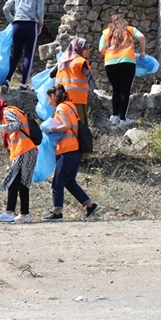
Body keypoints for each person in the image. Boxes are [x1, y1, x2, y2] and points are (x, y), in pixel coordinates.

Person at [42, 84, 100, 221]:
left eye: (49, 99)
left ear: (53, 96)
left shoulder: (61, 108)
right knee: (69, 181)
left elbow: (66, 126)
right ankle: (90, 205)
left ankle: (57, 212)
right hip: (76, 149)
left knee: (57, 182)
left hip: (67, 150)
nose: (49, 103)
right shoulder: (71, 105)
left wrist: (51, 130)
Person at [0, 98, 38, 224]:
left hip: (24, 149)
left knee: (16, 180)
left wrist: (0, 127)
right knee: (20, 182)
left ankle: (12, 213)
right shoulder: (12, 110)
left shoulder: (7, 111)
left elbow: (16, 125)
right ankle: (22, 213)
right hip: (27, 150)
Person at [99, 13, 146, 127]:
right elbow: (142, 37)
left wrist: (111, 53)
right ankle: (123, 119)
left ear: (112, 23)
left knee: (116, 90)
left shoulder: (106, 32)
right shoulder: (130, 30)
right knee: (125, 90)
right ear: (123, 21)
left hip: (110, 63)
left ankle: (115, 117)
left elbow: (101, 49)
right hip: (127, 61)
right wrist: (142, 52)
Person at [2, 0, 45, 91]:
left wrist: (12, 21)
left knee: (15, 54)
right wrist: (40, 24)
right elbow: (40, 11)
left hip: (17, 24)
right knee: (29, 55)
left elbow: (5, 8)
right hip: (31, 24)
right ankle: (24, 83)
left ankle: (7, 80)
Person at [50, 37, 96, 126]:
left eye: (88, 49)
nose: (87, 51)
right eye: (85, 49)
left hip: (61, 99)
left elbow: (52, 74)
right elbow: (88, 76)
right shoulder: (80, 61)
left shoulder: (62, 61)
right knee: (78, 125)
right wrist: (95, 89)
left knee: (62, 123)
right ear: (78, 48)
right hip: (77, 99)